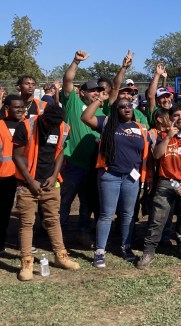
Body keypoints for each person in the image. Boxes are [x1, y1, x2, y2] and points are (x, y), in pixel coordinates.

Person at [13, 105, 80, 281]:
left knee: (53, 220)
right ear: (43, 117)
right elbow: (17, 156)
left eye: (55, 124)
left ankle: (61, 256)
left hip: (50, 183)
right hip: (27, 184)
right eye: (49, 123)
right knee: (27, 223)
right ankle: (26, 263)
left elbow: (60, 154)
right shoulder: (26, 126)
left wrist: (54, 175)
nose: (52, 127)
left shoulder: (63, 127)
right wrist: (30, 181)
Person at [81, 94, 148, 268]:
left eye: (129, 105)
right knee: (106, 215)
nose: (127, 108)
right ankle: (100, 251)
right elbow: (86, 117)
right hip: (110, 175)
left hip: (131, 177)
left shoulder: (139, 128)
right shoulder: (108, 123)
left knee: (127, 215)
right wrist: (98, 100)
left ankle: (126, 247)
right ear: (115, 109)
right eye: (122, 106)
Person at [136, 105, 181, 269]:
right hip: (166, 182)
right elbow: (157, 155)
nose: (180, 118)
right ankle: (149, 252)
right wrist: (167, 138)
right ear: (171, 118)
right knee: (157, 218)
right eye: (176, 115)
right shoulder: (163, 135)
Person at [59, 51, 104, 245]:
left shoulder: (102, 110)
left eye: (98, 90)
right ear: (82, 92)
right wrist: (76, 61)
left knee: (87, 203)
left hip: (93, 165)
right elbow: (67, 79)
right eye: (92, 90)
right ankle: (57, 234)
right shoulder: (73, 103)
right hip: (72, 164)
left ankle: (83, 232)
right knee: (64, 201)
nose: (96, 93)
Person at [0, 95, 24, 252]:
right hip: (4, 176)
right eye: (17, 107)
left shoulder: (27, 125)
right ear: (7, 109)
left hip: (22, 175)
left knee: (17, 210)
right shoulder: (1, 125)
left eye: (22, 107)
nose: (21, 110)